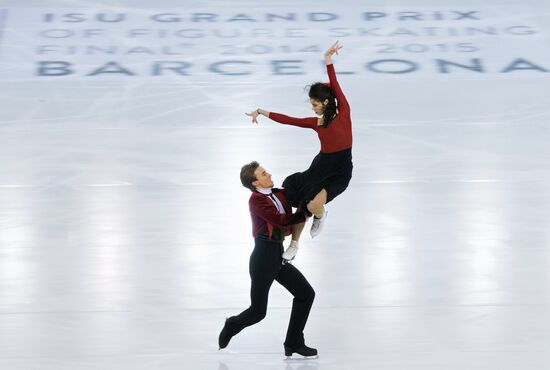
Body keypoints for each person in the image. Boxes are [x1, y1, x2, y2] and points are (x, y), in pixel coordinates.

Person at [246, 41, 353, 238]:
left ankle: (319, 217)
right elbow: (289, 120)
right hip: (321, 166)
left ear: (326, 102)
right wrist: (261, 111)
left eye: (315, 104)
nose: (313, 108)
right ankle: (294, 243)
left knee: (313, 205)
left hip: (341, 169)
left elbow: (335, 86)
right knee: (302, 199)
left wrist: (327, 60)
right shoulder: (316, 123)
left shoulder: (344, 112)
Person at [218, 161, 317, 358]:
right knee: (258, 312)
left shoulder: (279, 193)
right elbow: (280, 221)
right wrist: (306, 212)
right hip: (263, 259)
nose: (269, 174)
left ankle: (294, 342)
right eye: (263, 174)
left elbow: (297, 195)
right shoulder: (255, 201)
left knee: (306, 294)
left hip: (277, 256)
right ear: (255, 183)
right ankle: (232, 324)